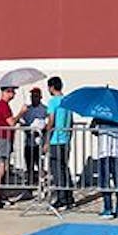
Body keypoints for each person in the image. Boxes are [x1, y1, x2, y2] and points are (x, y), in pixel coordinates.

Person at [44, 76, 74, 210]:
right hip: (65, 138)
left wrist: (46, 139)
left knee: (57, 170)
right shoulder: (67, 101)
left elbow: (51, 120)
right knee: (64, 168)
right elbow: (71, 121)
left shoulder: (53, 102)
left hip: (56, 139)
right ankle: (69, 197)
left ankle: (62, 199)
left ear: (51, 87)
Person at [94, 118, 118, 218]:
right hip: (117, 152)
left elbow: (93, 129)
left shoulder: (101, 113)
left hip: (104, 151)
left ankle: (108, 208)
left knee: (105, 180)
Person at [17, 87, 48, 187]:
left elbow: (47, 123)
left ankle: (42, 184)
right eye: (32, 96)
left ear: (40, 97)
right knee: (29, 165)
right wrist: (25, 128)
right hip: (29, 141)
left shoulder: (44, 109)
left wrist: (42, 131)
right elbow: (22, 122)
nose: (33, 98)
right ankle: (30, 185)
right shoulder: (27, 109)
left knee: (40, 165)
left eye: (36, 96)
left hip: (39, 142)